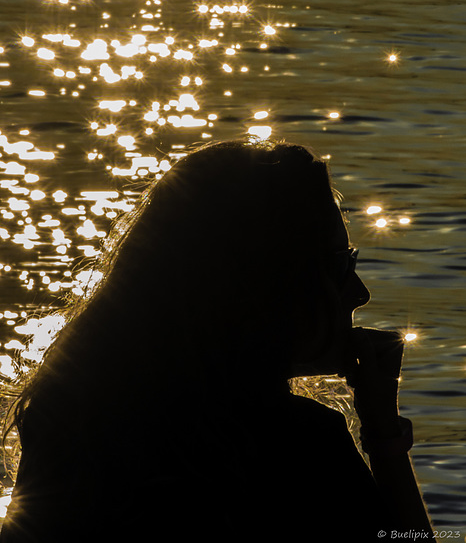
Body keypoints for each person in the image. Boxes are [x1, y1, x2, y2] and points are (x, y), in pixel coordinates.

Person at [0, 139, 434, 541]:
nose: (360, 293)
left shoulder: (67, 422)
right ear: (263, 284)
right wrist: (384, 437)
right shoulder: (297, 447)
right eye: (339, 265)